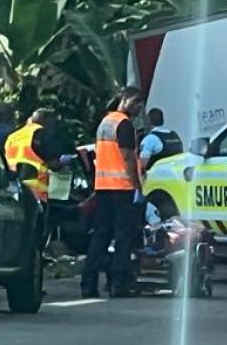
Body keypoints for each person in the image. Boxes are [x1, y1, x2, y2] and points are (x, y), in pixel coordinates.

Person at [81, 87, 145, 298]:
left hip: (103, 187)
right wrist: (137, 188)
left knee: (100, 236)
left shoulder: (105, 122)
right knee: (123, 237)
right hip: (122, 188)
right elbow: (127, 157)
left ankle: (88, 284)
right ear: (126, 100)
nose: (138, 109)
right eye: (136, 103)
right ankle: (120, 283)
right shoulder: (124, 125)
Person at [4, 108, 65, 203]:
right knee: (62, 174)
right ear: (45, 120)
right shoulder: (42, 133)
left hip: (12, 182)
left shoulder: (14, 135)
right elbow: (53, 158)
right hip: (35, 184)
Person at [138, 108, 183, 175]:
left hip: (157, 179)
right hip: (176, 178)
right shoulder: (174, 135)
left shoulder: (150, 139)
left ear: (148, 121)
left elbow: (142, 164)